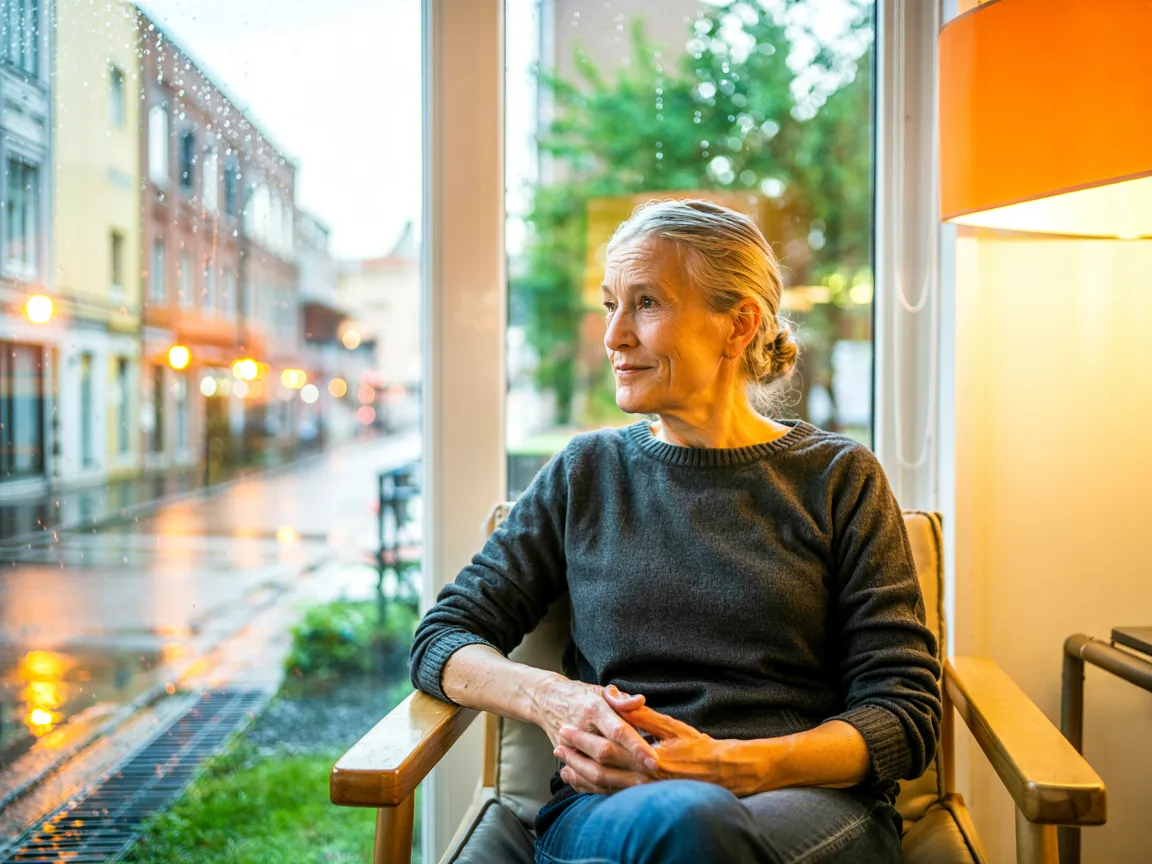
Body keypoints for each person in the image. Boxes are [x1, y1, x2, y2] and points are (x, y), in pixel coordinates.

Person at [410, 199, 941, 863]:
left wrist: (731, 764)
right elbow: (442, 638)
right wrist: (552, 697)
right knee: (689, 823)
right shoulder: (586, 472)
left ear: (739, 325)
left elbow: (905, 713)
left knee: (701, 822)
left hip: (804, 803)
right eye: (610, 305)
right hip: (613, 812)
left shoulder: (840, 478)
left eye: (647, 303)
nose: (613, 336)